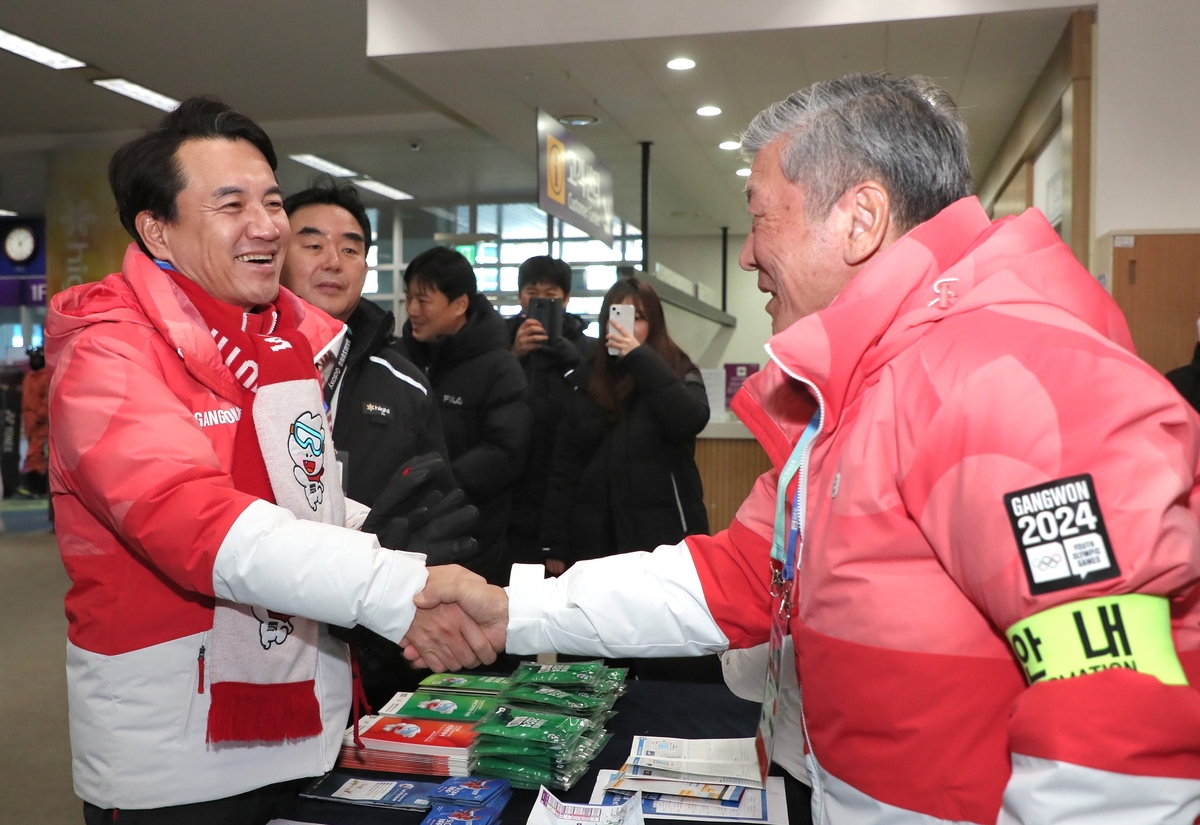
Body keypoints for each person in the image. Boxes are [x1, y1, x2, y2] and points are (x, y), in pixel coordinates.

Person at [412, 74, 1200, 824]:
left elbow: (1116, 716)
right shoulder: (864, 387)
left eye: (760, 217)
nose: (749, 253)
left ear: (859, 219)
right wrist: (517, 608)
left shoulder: (1011, 372)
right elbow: (741, 576)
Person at [48, 96, 492, 824]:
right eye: (230, 204)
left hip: (310, 731)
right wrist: (394, 586)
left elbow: (295, 502)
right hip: (177, 764)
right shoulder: (109, 351)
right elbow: (196, 522)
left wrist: (384, 534)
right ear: (157, 227)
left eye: (272, 201)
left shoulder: (284, 344)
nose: (266, 226)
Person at [279, 178, 448, 507]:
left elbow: (434, 508)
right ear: (278, 255)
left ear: (366, 268)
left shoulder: (406, 386)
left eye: (350, 250)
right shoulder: (235, 364)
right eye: (314, 246)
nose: (334, 262)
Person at [542, 277, 710, 565]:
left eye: (639, 318)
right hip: (594, 541)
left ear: (655, 324)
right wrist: (554, 546)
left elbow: (689, 420)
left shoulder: (678, 368)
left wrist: (639, 357)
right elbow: (565, 468)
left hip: (664, 539)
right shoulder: (586, 379)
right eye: (616, 317)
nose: (624, 327)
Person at [398, 246, 532, 584]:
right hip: (404, 530)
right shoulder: (402, 360)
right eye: (409, 297)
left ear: (459, 305)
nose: (412, 310)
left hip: (473, 538)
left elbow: (505, 451)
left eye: (424, 300)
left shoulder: (499, 368)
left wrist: (437, 483)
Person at [506, 255, 595, 569]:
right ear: (519, 296)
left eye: (551, 295)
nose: (540, 301)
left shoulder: (588, 349)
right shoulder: (499, 342)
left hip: (566, 484)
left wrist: (572, 362)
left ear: (567, 298)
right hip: (511, 485)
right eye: (533, 292)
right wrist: (513, 355)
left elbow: (597, 407)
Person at [18, 345, 50, 497]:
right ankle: (35, 486)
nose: (33, 361)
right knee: (33, 454)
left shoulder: (46, 377)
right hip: (30, 423)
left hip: (41, 425)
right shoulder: (29, 378)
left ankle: (38, 487)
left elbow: (47, 400)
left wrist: (40, 417)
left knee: (37, 455)